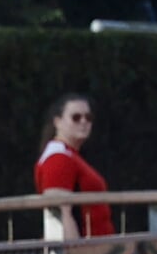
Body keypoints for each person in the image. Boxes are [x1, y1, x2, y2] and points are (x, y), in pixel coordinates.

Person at [33, 93, 112, 239]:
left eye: (88, 118)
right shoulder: (58, 157)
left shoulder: (70, 155)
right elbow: (60, 214)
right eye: (76, 117)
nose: (83, 122)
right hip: (87, 252)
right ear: (58, 122)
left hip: (99, 250)